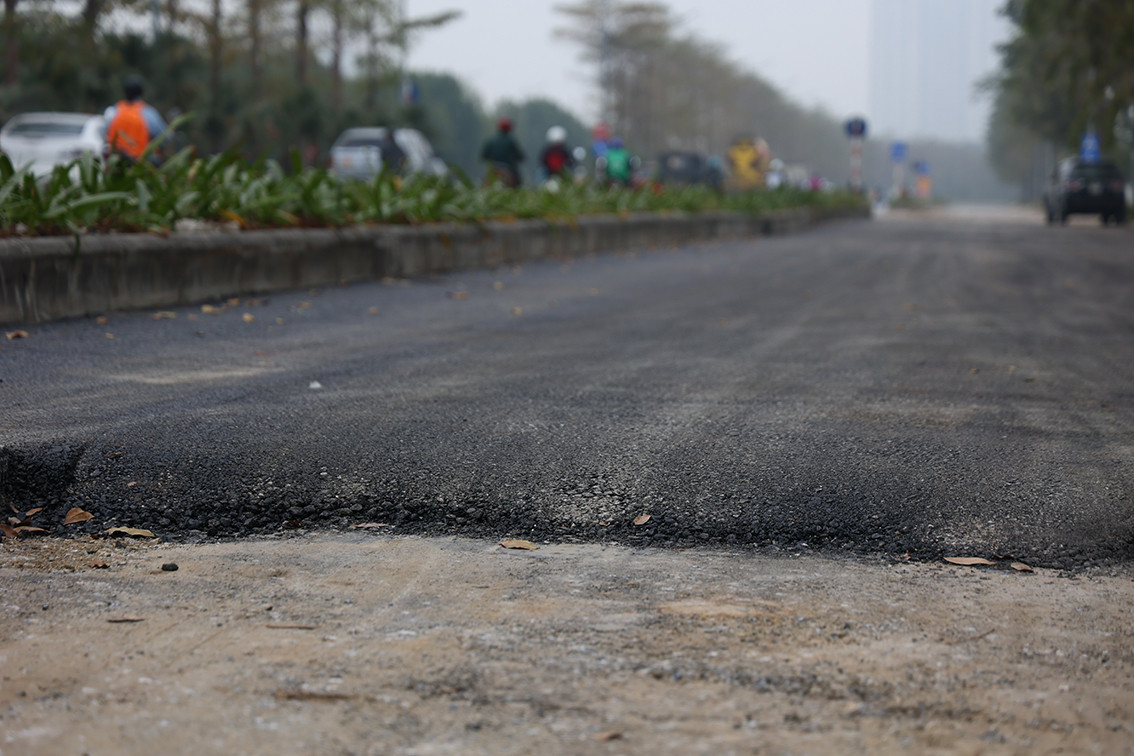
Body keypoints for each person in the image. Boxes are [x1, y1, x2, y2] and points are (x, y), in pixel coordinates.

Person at [104, 75, 168, 164]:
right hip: (139, 165)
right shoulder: (148, 113)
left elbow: (106, 133)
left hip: (115, 165)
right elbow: (164, 137)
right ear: (141, 92)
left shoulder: (113, 111)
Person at [481, 118, 524, 187]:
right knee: (518, 182)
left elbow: (484, 156)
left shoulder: (490, 140)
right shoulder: (511, 141)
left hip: (493, 168)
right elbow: (519, 155)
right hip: (507, 167)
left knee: (484, 181)